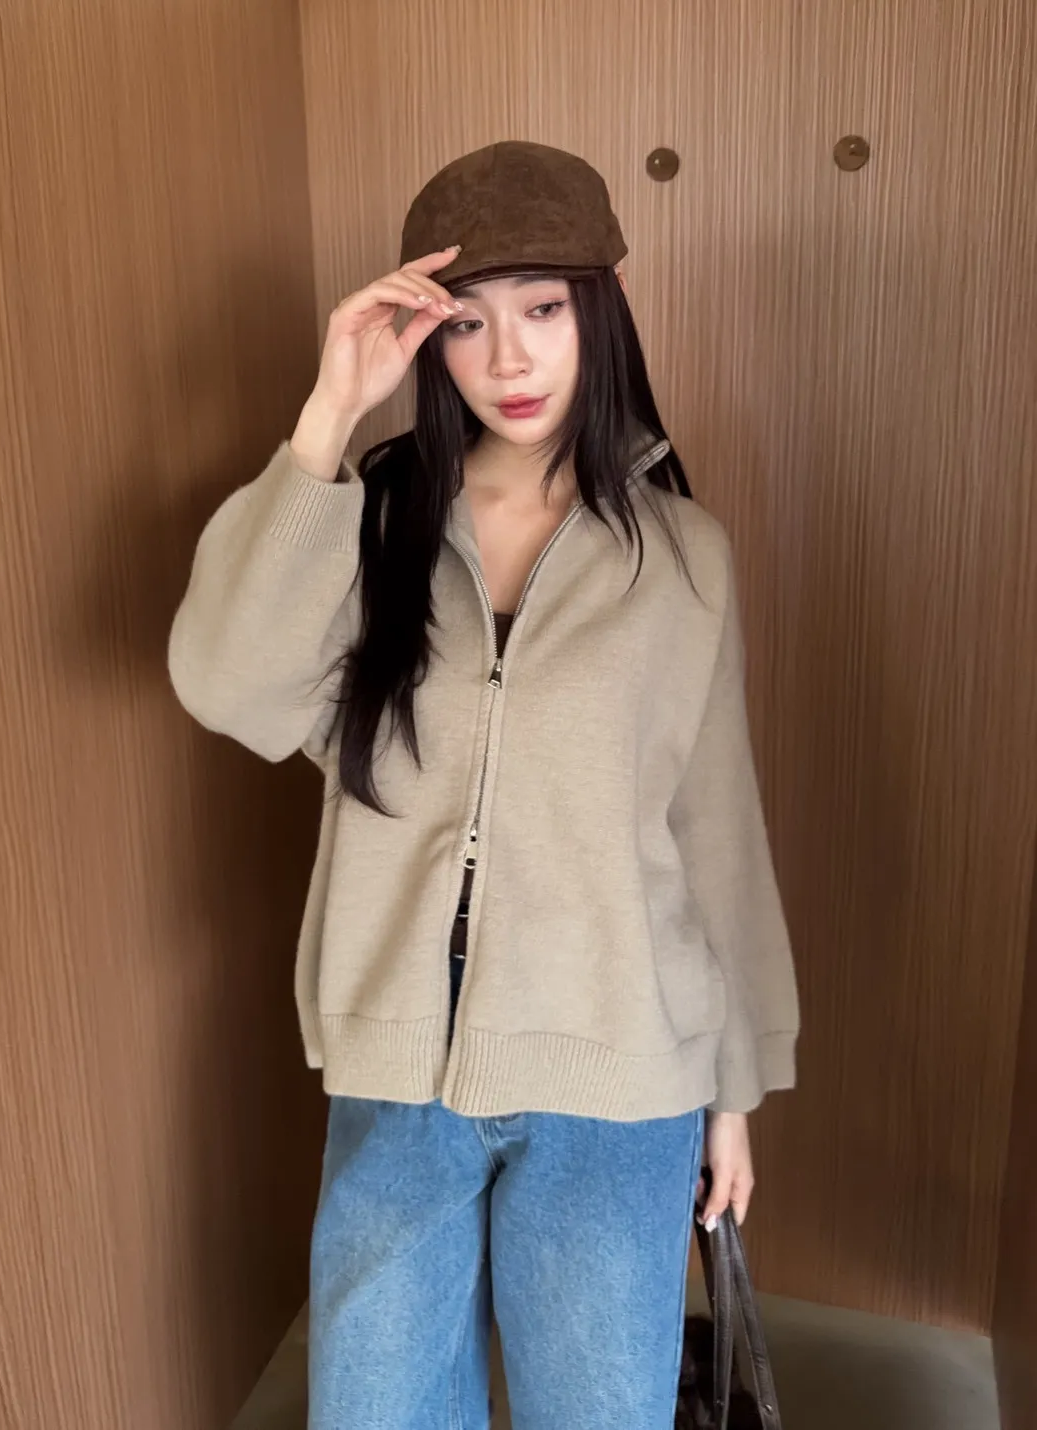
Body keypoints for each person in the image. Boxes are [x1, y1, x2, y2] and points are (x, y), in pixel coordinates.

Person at [169, 141, 800, 1430]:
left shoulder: (683, 554)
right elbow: (225, 686)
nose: (509, 358)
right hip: (399, 1069)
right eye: (466, 322)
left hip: (619, 1079)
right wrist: (328, 418)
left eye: (544, 310)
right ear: (427, 340)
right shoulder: (372, 520)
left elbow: (715, 829)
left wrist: (733, 1094)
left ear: (600, 314)